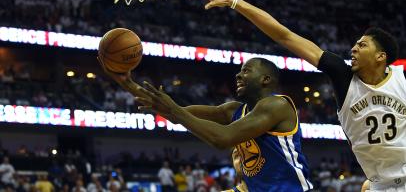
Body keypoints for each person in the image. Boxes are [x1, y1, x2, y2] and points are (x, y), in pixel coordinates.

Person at [186, 0, 406, 191]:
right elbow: (284, 35)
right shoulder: (343, 77)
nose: (353, 49)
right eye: (355, 44)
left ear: (381, 57)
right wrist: (235, 2)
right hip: (380, 184)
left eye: (362, 45)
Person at [99, 57, 313, 191]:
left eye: (246, 70)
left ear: (266, 80)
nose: (238, 74)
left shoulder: (277, 104)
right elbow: (176, 114)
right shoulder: (233, 110)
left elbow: (223, 138)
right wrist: (126, 83)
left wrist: (174, 110)